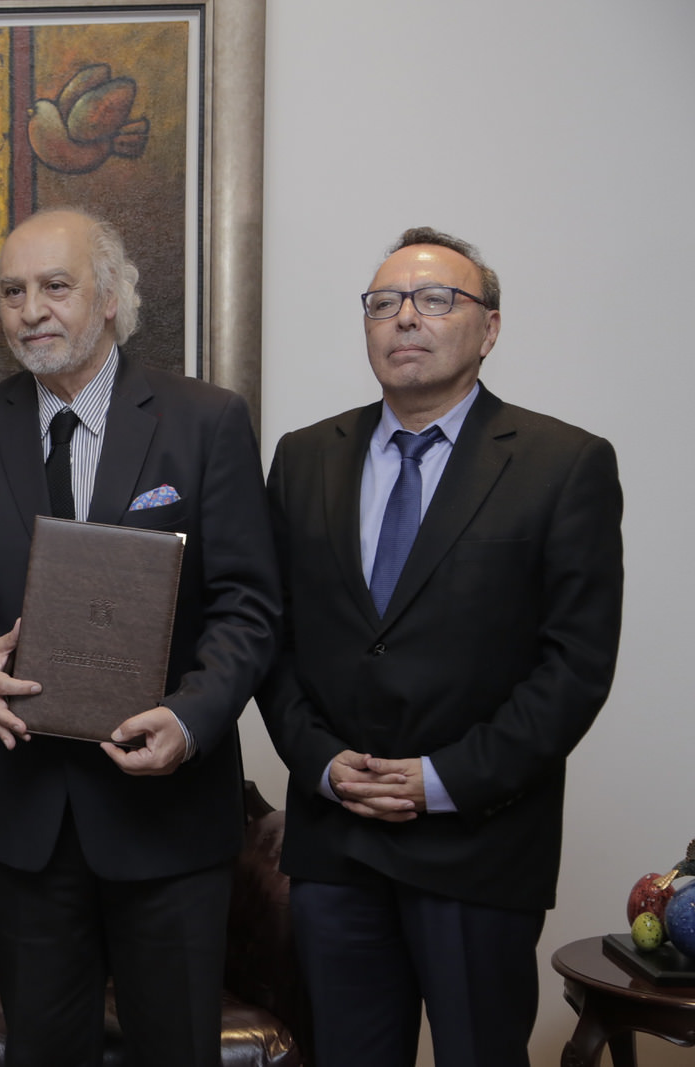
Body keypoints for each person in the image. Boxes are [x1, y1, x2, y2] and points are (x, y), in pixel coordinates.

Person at [0, 208, 280, 1066]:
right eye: (12, 291)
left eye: (56, 286)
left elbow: (249, 605)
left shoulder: (205, 421)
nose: (31, 309)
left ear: (111, 298)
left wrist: (191, 719)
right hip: (25, 818)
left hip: (168, 816)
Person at [258, 227, 623, 1066]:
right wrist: (317, 759)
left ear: (488, 328)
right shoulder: (306, 456)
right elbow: (266, 635)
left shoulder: (562, 464)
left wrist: (441, 779)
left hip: (479, 844)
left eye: (434, 300)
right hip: (336, 840)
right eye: (384, 303)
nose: (405, 320)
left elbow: (576, 666)